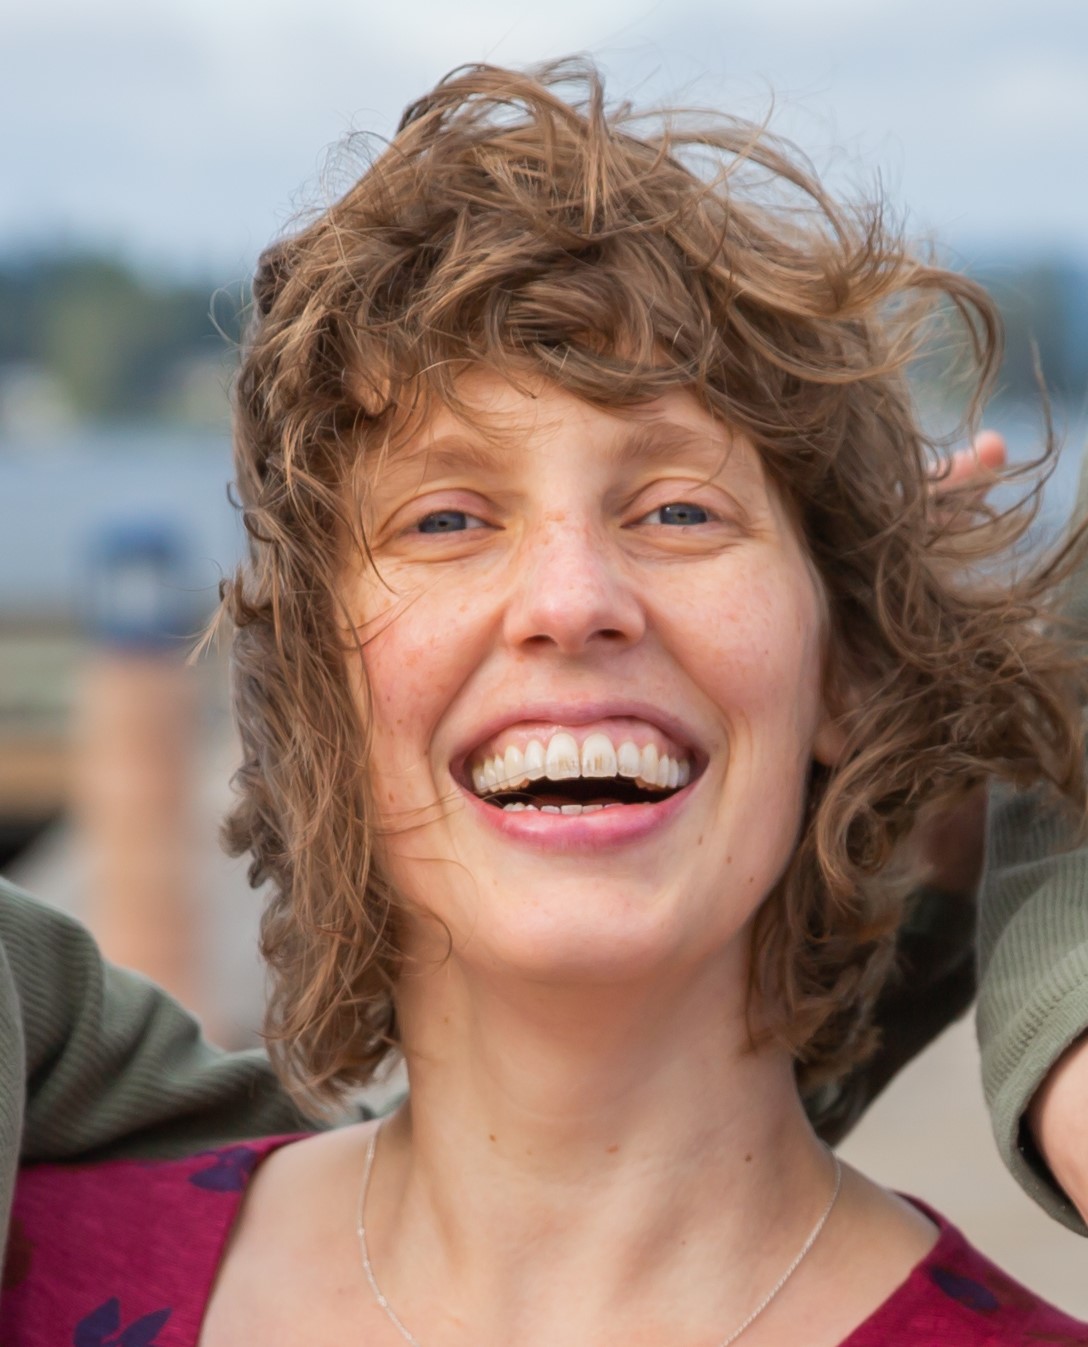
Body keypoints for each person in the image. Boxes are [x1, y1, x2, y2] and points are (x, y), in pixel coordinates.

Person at [4, 59, 1088, 1344]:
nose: (571, 599)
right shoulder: (44, 1271)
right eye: (446, 517)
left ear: (846, 671)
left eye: (680, 509)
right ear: (325, 700)